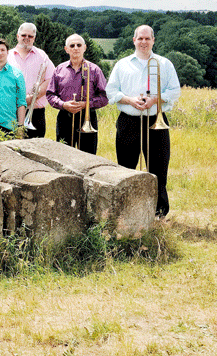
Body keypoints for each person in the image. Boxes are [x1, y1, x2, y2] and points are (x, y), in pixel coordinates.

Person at [106, 25, 181, 217]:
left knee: (159, 169)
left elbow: (175, 91)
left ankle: (159, 214)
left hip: (156, 121)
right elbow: (111, 92)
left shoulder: (164, 64)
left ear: (153, 40)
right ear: (134, 40)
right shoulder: (122, 64)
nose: (144, 42)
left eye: (147, 39)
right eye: (140, 38)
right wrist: (130, 100)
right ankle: (125, 211)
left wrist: (155, 99)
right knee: (125, 168)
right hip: (128, 121)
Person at [46, 34, 108, 154]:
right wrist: (63, 105)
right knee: (63, 156)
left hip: (88, 116)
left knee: (88, 157)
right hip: (65, 117)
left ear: (84, 48)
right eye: (72, 45)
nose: (76, 48)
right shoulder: (59, 69)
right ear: (66, 49)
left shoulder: (94, 70)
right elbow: (50, 94)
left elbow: (105, 97)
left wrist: (86, 104)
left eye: (79, 45)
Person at [7, 23, 55, 138]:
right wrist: (20, 101)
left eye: (30, 36)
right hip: (11, 111)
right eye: (24, 35)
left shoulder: (42, 55)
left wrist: (32, 98)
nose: (27, 38)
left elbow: (50, 79)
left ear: (34, 38)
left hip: (35, 113)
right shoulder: (7, 56)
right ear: (17, 36)